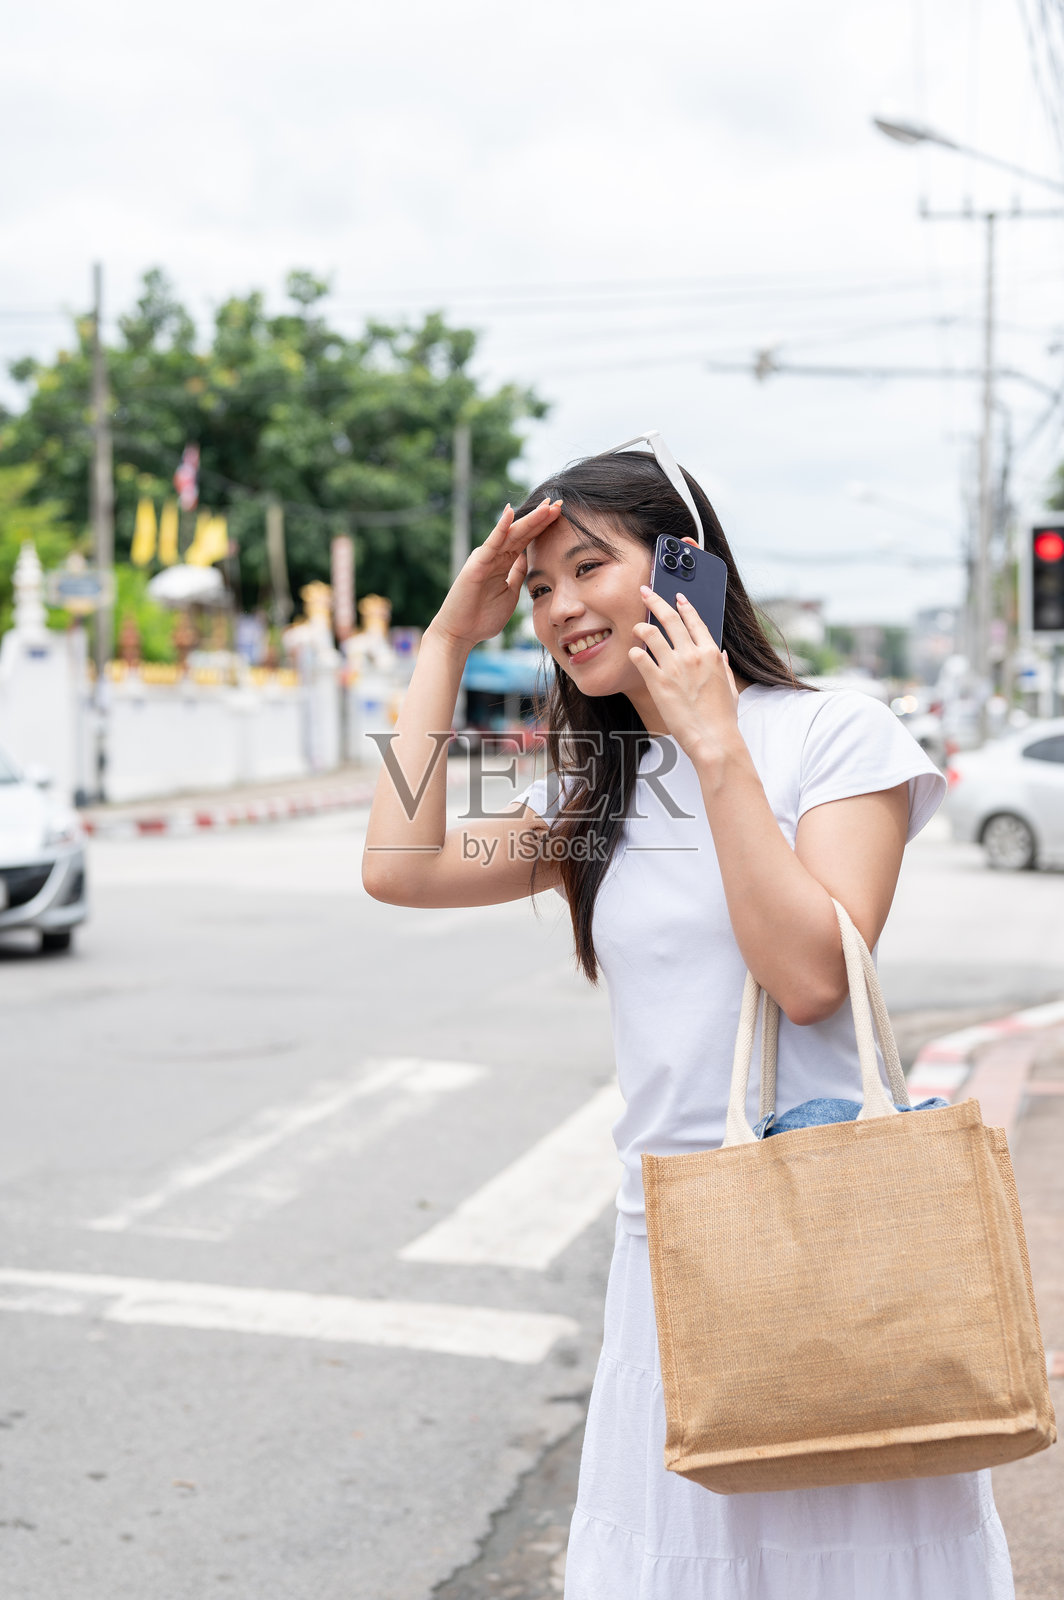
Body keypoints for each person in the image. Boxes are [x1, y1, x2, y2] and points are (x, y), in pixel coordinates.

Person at [361, 440, 1015, 1600]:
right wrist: (449, 640)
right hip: (666, 1252)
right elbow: (398, 864)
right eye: (541, 585)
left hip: (839, 1242)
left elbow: (808, 976)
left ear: (684, 568)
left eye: (587, 568)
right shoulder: (606, 791)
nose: (559, 607)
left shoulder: (833, 737)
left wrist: (713, 743)